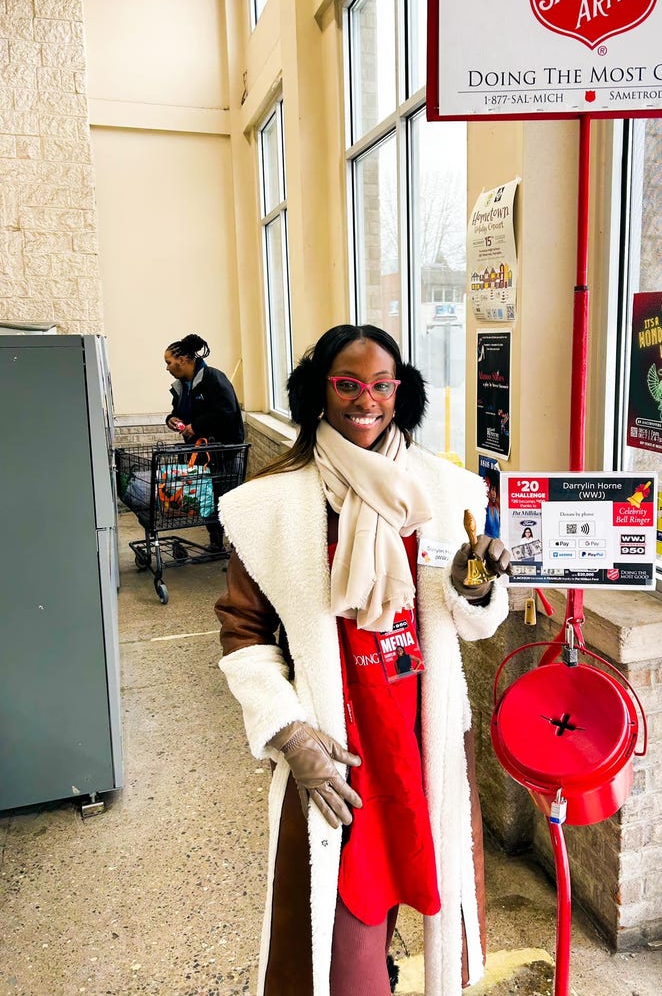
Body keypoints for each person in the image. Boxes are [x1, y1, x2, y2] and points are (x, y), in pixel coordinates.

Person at [213, 324, 510, 996]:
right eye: (348, 384)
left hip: (421, 737)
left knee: (415, 894)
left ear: (401, 393)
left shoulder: (448, 493)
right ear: (319, 391)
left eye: (381, 385)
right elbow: (243, 630)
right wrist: (291, 736)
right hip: (338, 751)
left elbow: (472, 622)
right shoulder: (270, 505)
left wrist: (475, 586)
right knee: (337, 944)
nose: (365, 400)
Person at [164, 333, 244, 551]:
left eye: (169, 362)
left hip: (224, 452)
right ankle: (216, 542)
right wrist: (172, 419)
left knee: (228, 500)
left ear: (182, 360)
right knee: (207, 499)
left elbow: (227, 411)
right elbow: (178, 411)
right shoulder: (182, 386)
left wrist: (196, 427)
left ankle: (238, 549)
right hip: (200, 454)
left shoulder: (213, 378)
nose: (167, 368)